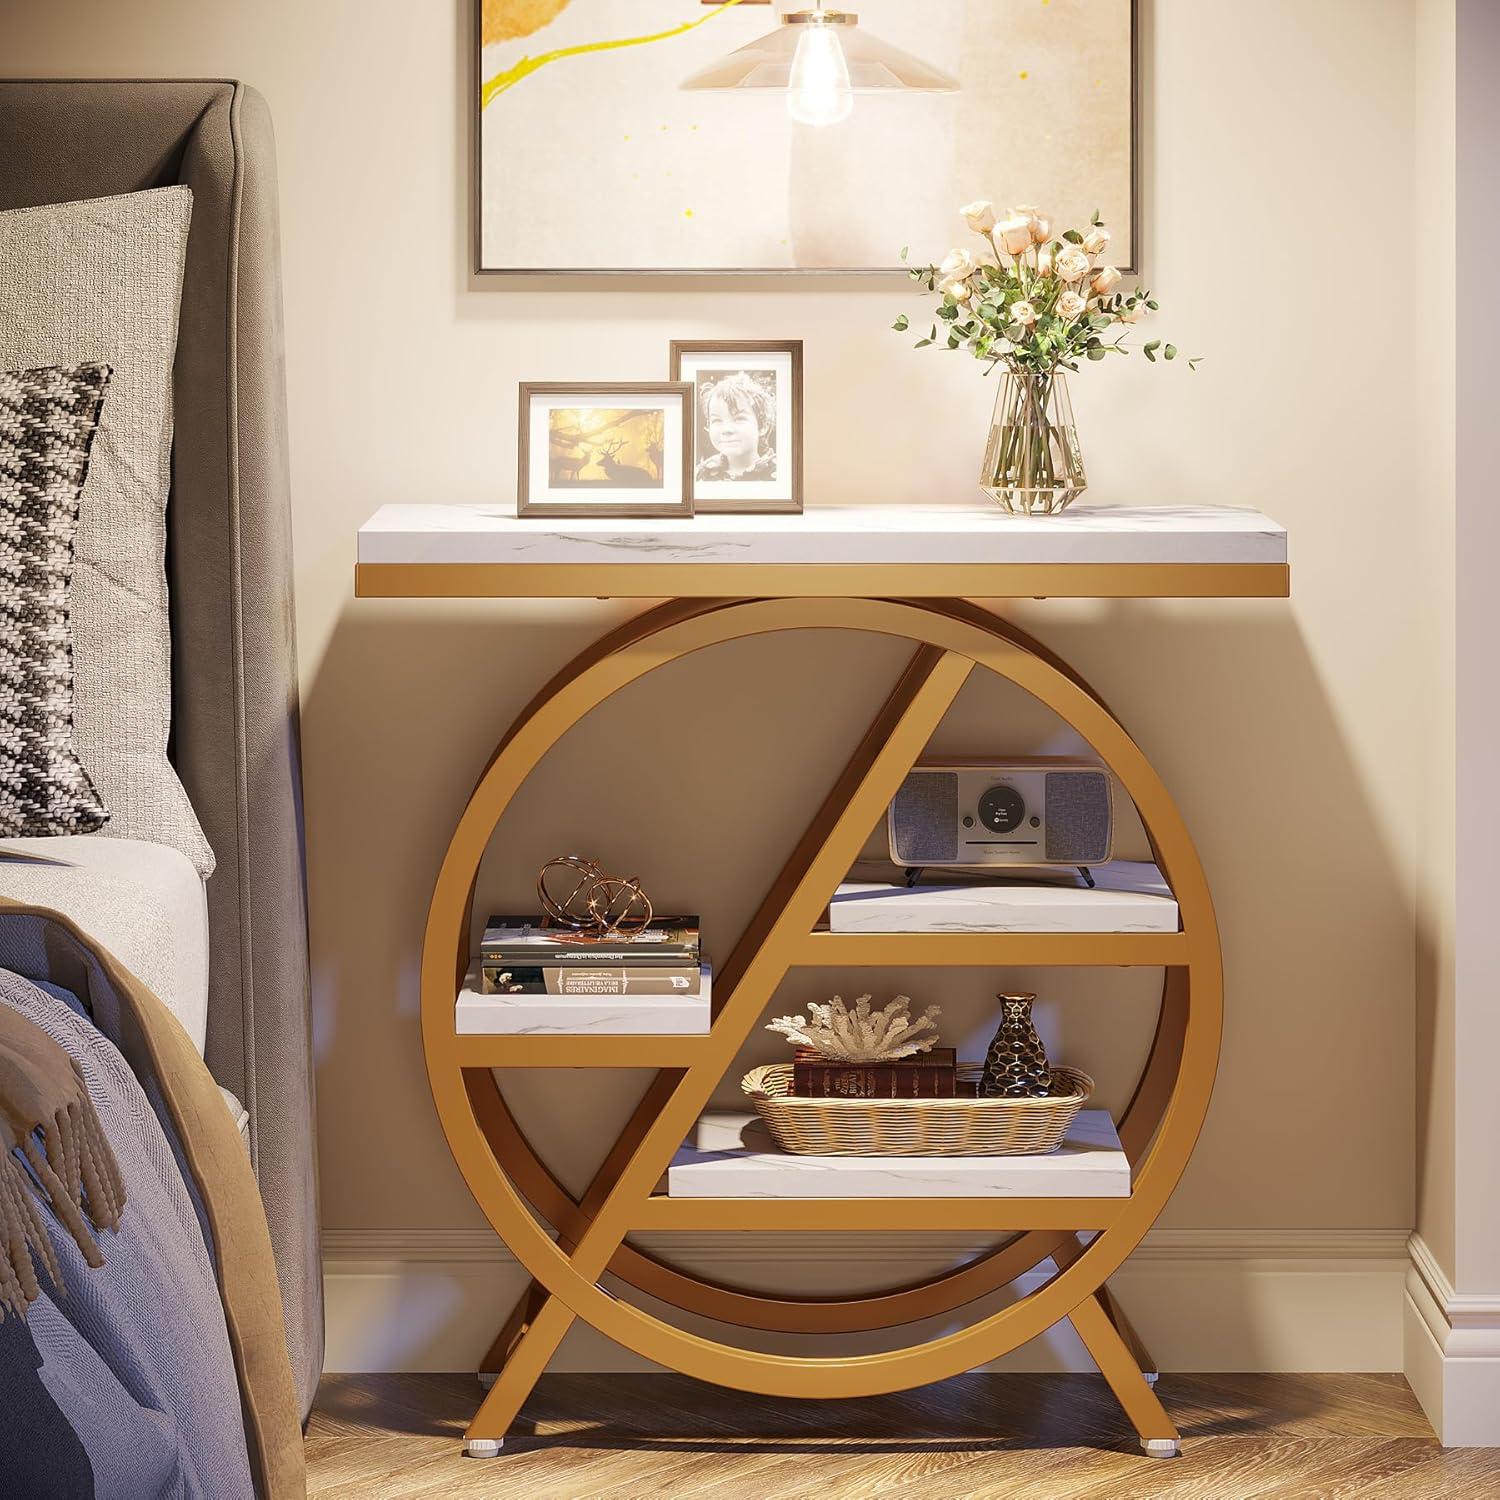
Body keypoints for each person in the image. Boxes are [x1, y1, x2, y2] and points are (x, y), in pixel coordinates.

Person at [696, 371, 777, 482]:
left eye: (739, 419)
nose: (726, 429)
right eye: (716, 420)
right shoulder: (701, 474)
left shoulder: (780, 474)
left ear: (763, 426)